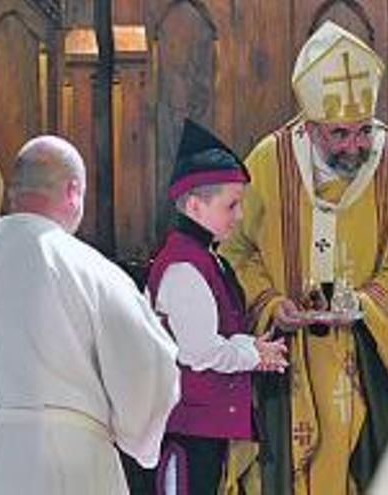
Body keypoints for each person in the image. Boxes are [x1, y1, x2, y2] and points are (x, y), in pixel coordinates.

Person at [220, 21, 388, 494]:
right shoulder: (267, 162)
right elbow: (234, 250)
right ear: (309, 125)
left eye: (362, 131)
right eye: (339, 134)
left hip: (371, 357)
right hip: (291, 363)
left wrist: (367, 303)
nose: (354, 146)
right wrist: (268, 303)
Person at [0, 135, 180, 494]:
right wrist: (139, 438)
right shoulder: (90, 271)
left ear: (12, 194)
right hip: (54, 470)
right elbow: (149, 371)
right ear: (73, 192)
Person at [146, 119, 288, 495]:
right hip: (189, 428)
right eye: (231, 205)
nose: (239, 216)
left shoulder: (205, 259)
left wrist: (253, 350)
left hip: (203, 426)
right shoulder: (184, 267)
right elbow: (200, 351)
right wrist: (253, 354)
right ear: (194, 205)